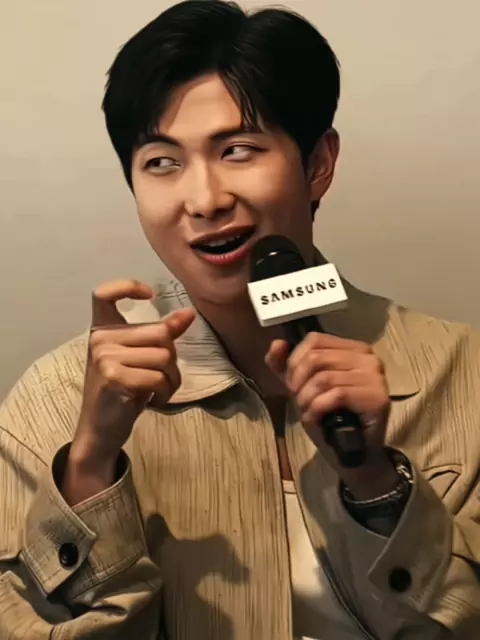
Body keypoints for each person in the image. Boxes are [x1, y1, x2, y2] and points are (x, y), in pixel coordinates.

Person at [0, 0, 479, 637]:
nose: (205, 200)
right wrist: (90, 467)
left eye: (238, 150)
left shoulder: (463, 375)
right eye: (162, 162)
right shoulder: (55, 402)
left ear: (318, 164)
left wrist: (374, 482)